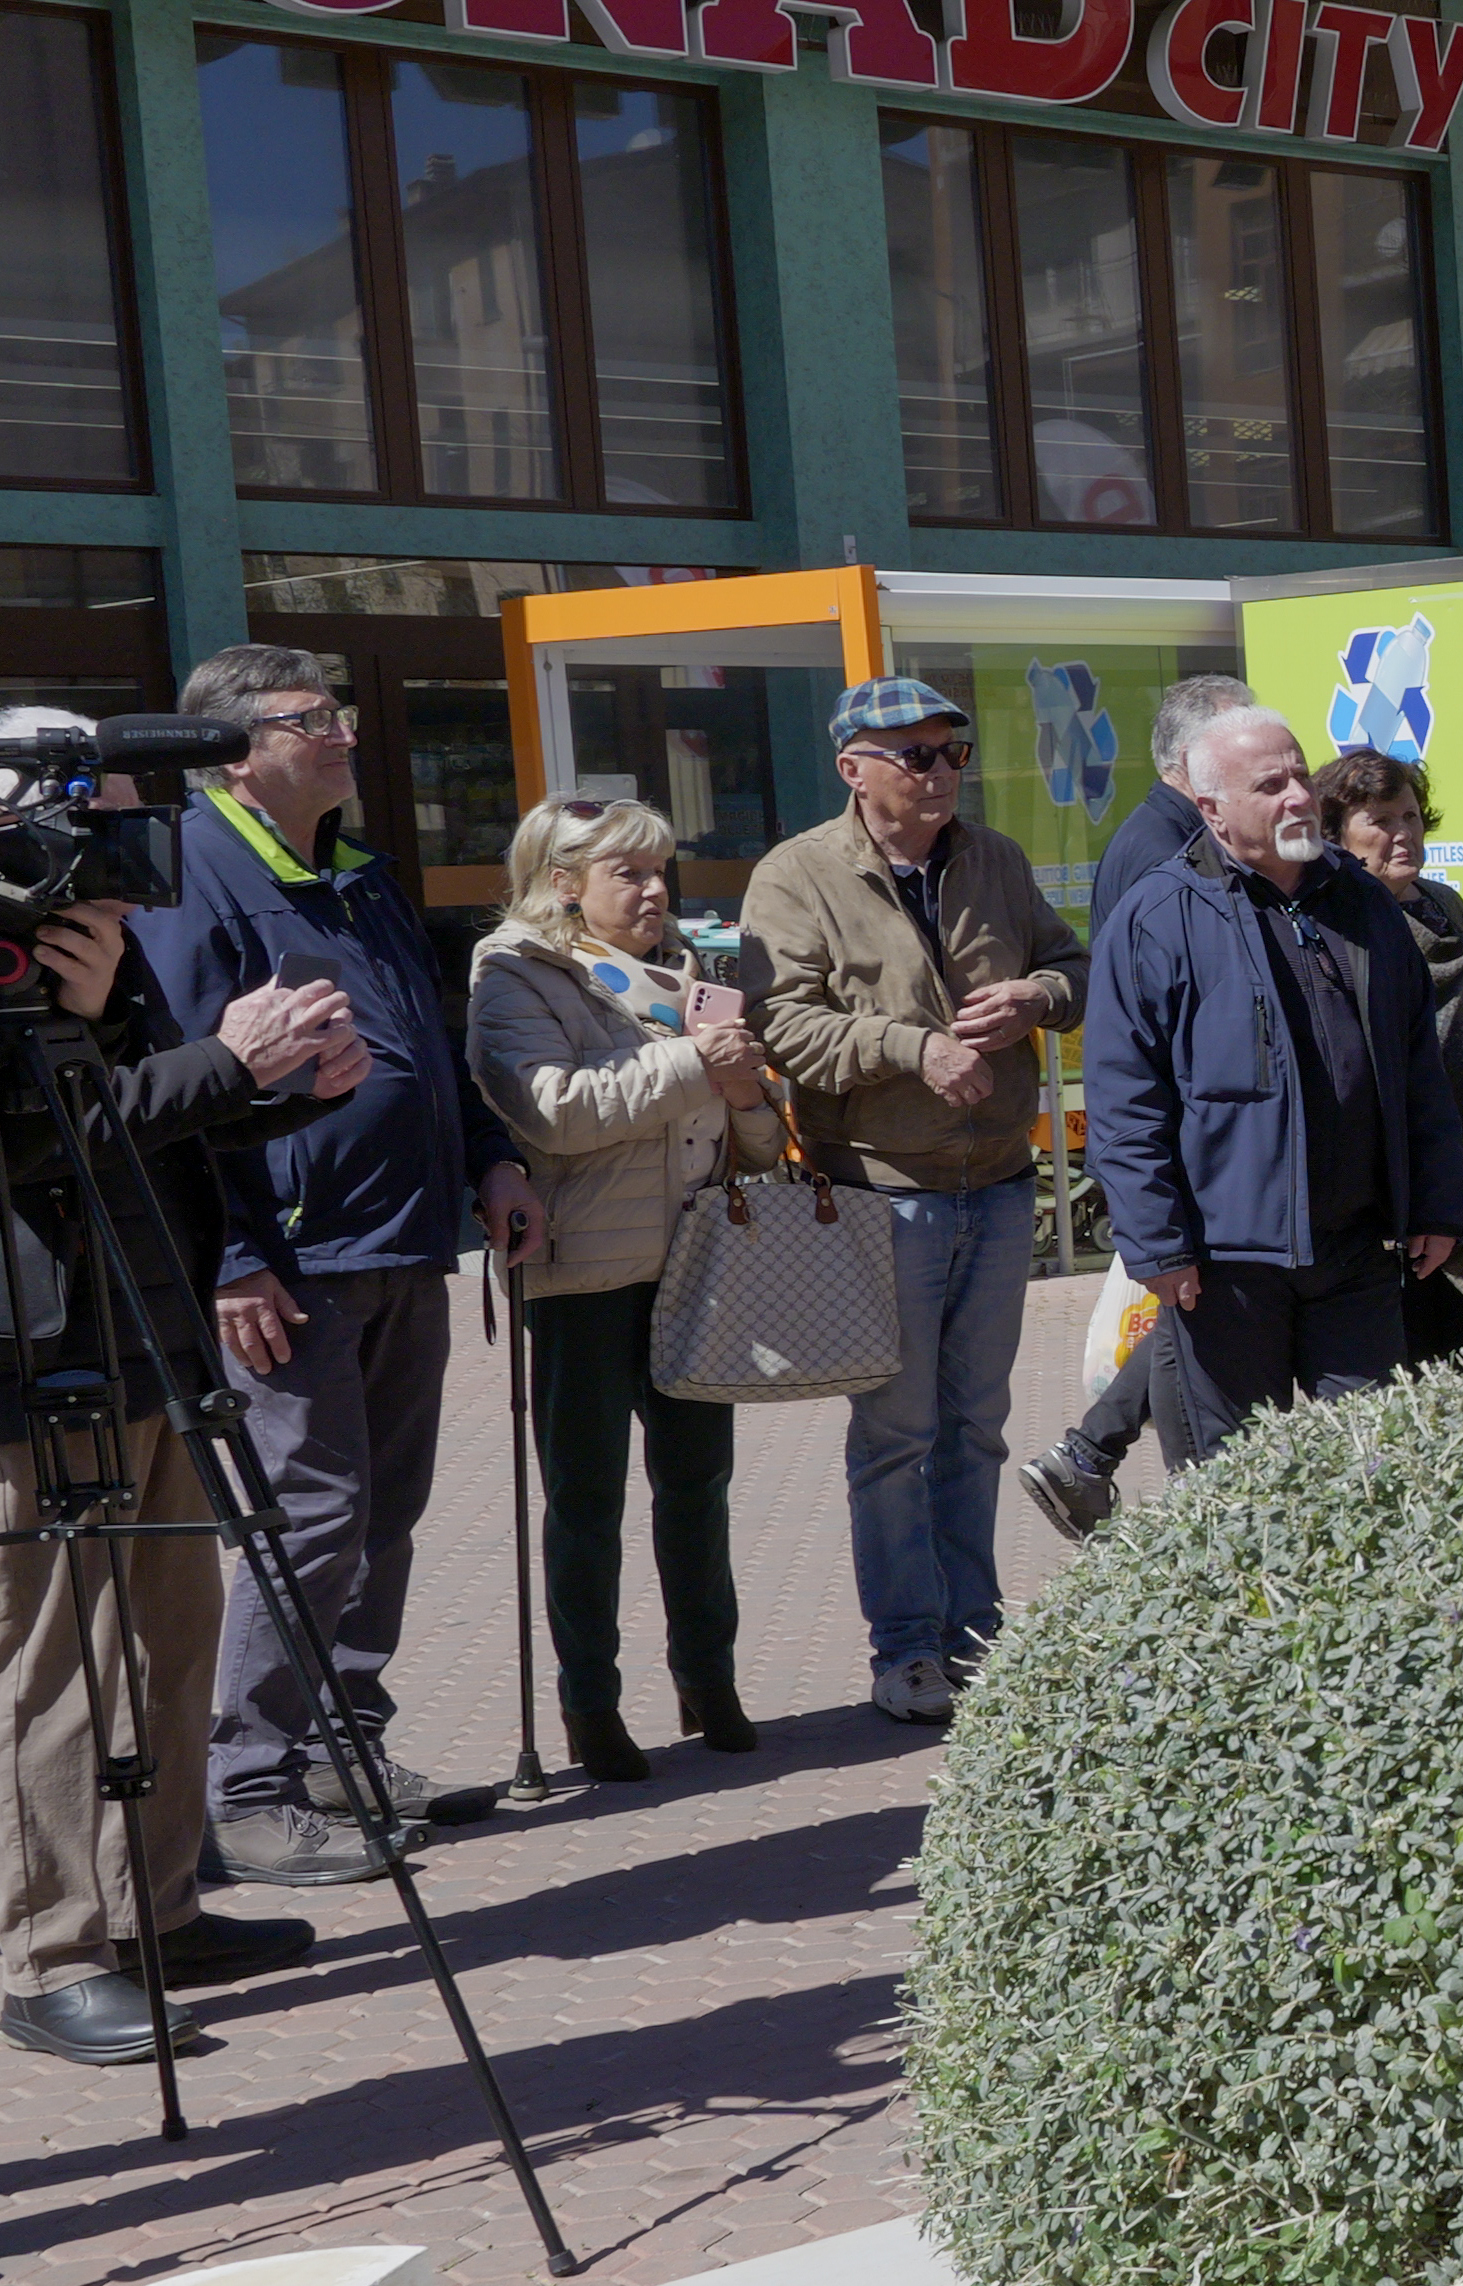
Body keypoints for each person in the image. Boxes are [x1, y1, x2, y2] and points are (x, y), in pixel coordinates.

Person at [138, 646, 539, 1880]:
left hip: (405, 1241)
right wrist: (239, 1257)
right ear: (231, 751)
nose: (346, 735)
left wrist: (490, 1160)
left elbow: (429, 1038)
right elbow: (183, 1094)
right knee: (307, 1517)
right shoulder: (191, 876)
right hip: (290, 1265)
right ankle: (246, 1786)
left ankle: (339, 1745)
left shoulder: (360, 877)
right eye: (312, 719)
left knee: (387, 1513)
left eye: (341, 712)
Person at [0, 719, 358, 2063]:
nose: (115, 857)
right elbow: (34, 1140)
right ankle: (47, 1954)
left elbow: (139, 1111)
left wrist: (274, 1087)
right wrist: (216, 1061)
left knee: (169, 1628)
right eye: (86, 829)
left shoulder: (92, 941)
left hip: (139, 1326)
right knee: (57, 1662)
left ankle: (156, 1909)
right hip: (30, 1355)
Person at [740, 677, 1086, 1727]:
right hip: (880, 1193)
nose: (940, 773)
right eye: (915, 755)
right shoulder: (796, 875)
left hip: (996, 1184)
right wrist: (913, 1048)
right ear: (855, 768)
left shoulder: (993, 860)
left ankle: (972, 1633)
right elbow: (782, 1028)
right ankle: (905, 1649)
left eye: (952, 751)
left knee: (975, 1425)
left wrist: (1036, 996)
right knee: (896, 1434)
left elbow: (1073, 962)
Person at [466, 796, 782, 1785]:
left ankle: (708, 1679)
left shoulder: (677, 975)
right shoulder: (513, 971)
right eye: (629, 875)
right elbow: (554, 1112)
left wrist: (744, 1093)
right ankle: (589, 1704)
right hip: (581, 1276)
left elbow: (756, 1143)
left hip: (693, 1266)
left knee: (699, 1489)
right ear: (565, 884)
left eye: (660, 872)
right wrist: (697, 1063)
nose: (655, 892)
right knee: (587, 1498)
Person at [1083, 709, 1463, 1457]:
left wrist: (1437, 1201)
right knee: (1226, 1488)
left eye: (1297, 774)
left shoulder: (1361, 902)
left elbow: (1418, 1061)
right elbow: (1125, 1099)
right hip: (1224, 1266)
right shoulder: (1159, 916)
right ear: (1212, 811)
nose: (1297, 796)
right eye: (1269, 784)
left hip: (1355, 1249)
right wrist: (1159, 1246)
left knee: (1369, 1475)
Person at [1319, 745, 1463, 1364]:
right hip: (1395, 1191)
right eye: (1380, 820)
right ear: (1336, 835)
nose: (1403, 834)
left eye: (1411, 816)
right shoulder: (1338, 923)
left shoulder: (1442, 905)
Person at [1089, 673, 1253, 929]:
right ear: (1190, 758)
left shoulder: (1174, 830)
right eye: (1239, 746)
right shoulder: (1167, 853)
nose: (1254, 761)